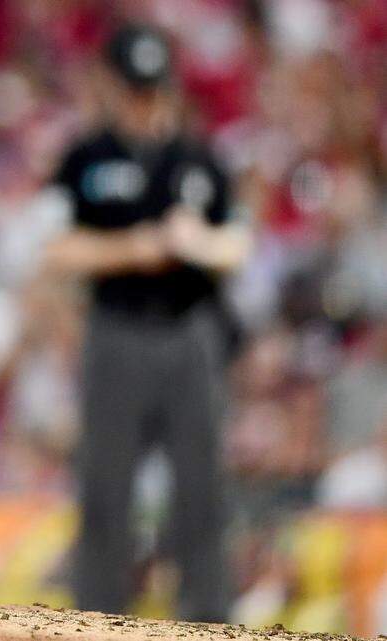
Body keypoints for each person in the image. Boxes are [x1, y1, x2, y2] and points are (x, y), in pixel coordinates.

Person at [45, 25, 249, 621]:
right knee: (105, 487)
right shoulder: (86, 158)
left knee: (202, 489)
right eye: (135, 90)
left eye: (153, 90)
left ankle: (210, 620)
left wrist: (198, 243)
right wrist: (134, 247)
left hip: (189, 331)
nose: (145, 103)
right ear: (111, 87)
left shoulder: (200, 160)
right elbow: (56, 248)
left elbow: (236, 242)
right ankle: (96, 618)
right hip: (117, 329)